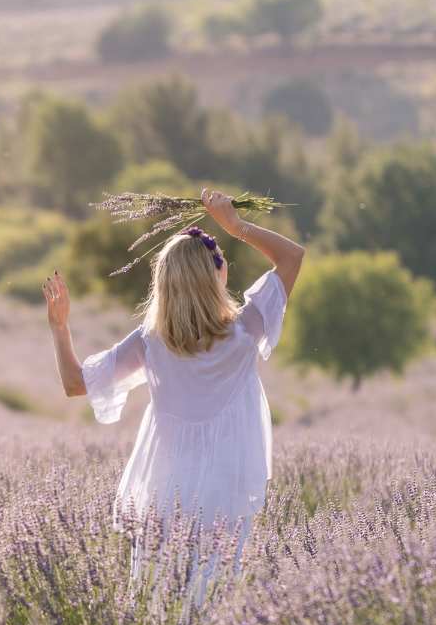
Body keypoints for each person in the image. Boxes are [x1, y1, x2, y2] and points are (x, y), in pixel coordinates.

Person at [43, 189, 304, 556]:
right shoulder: (245, 332)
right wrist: (236, 225)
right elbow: (292, 256)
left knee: (162, 604)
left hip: (163, 496)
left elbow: (74, 384)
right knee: (213, 601)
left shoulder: (151, 343)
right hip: (223, 500)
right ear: (218, 273)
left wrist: (59, 329)